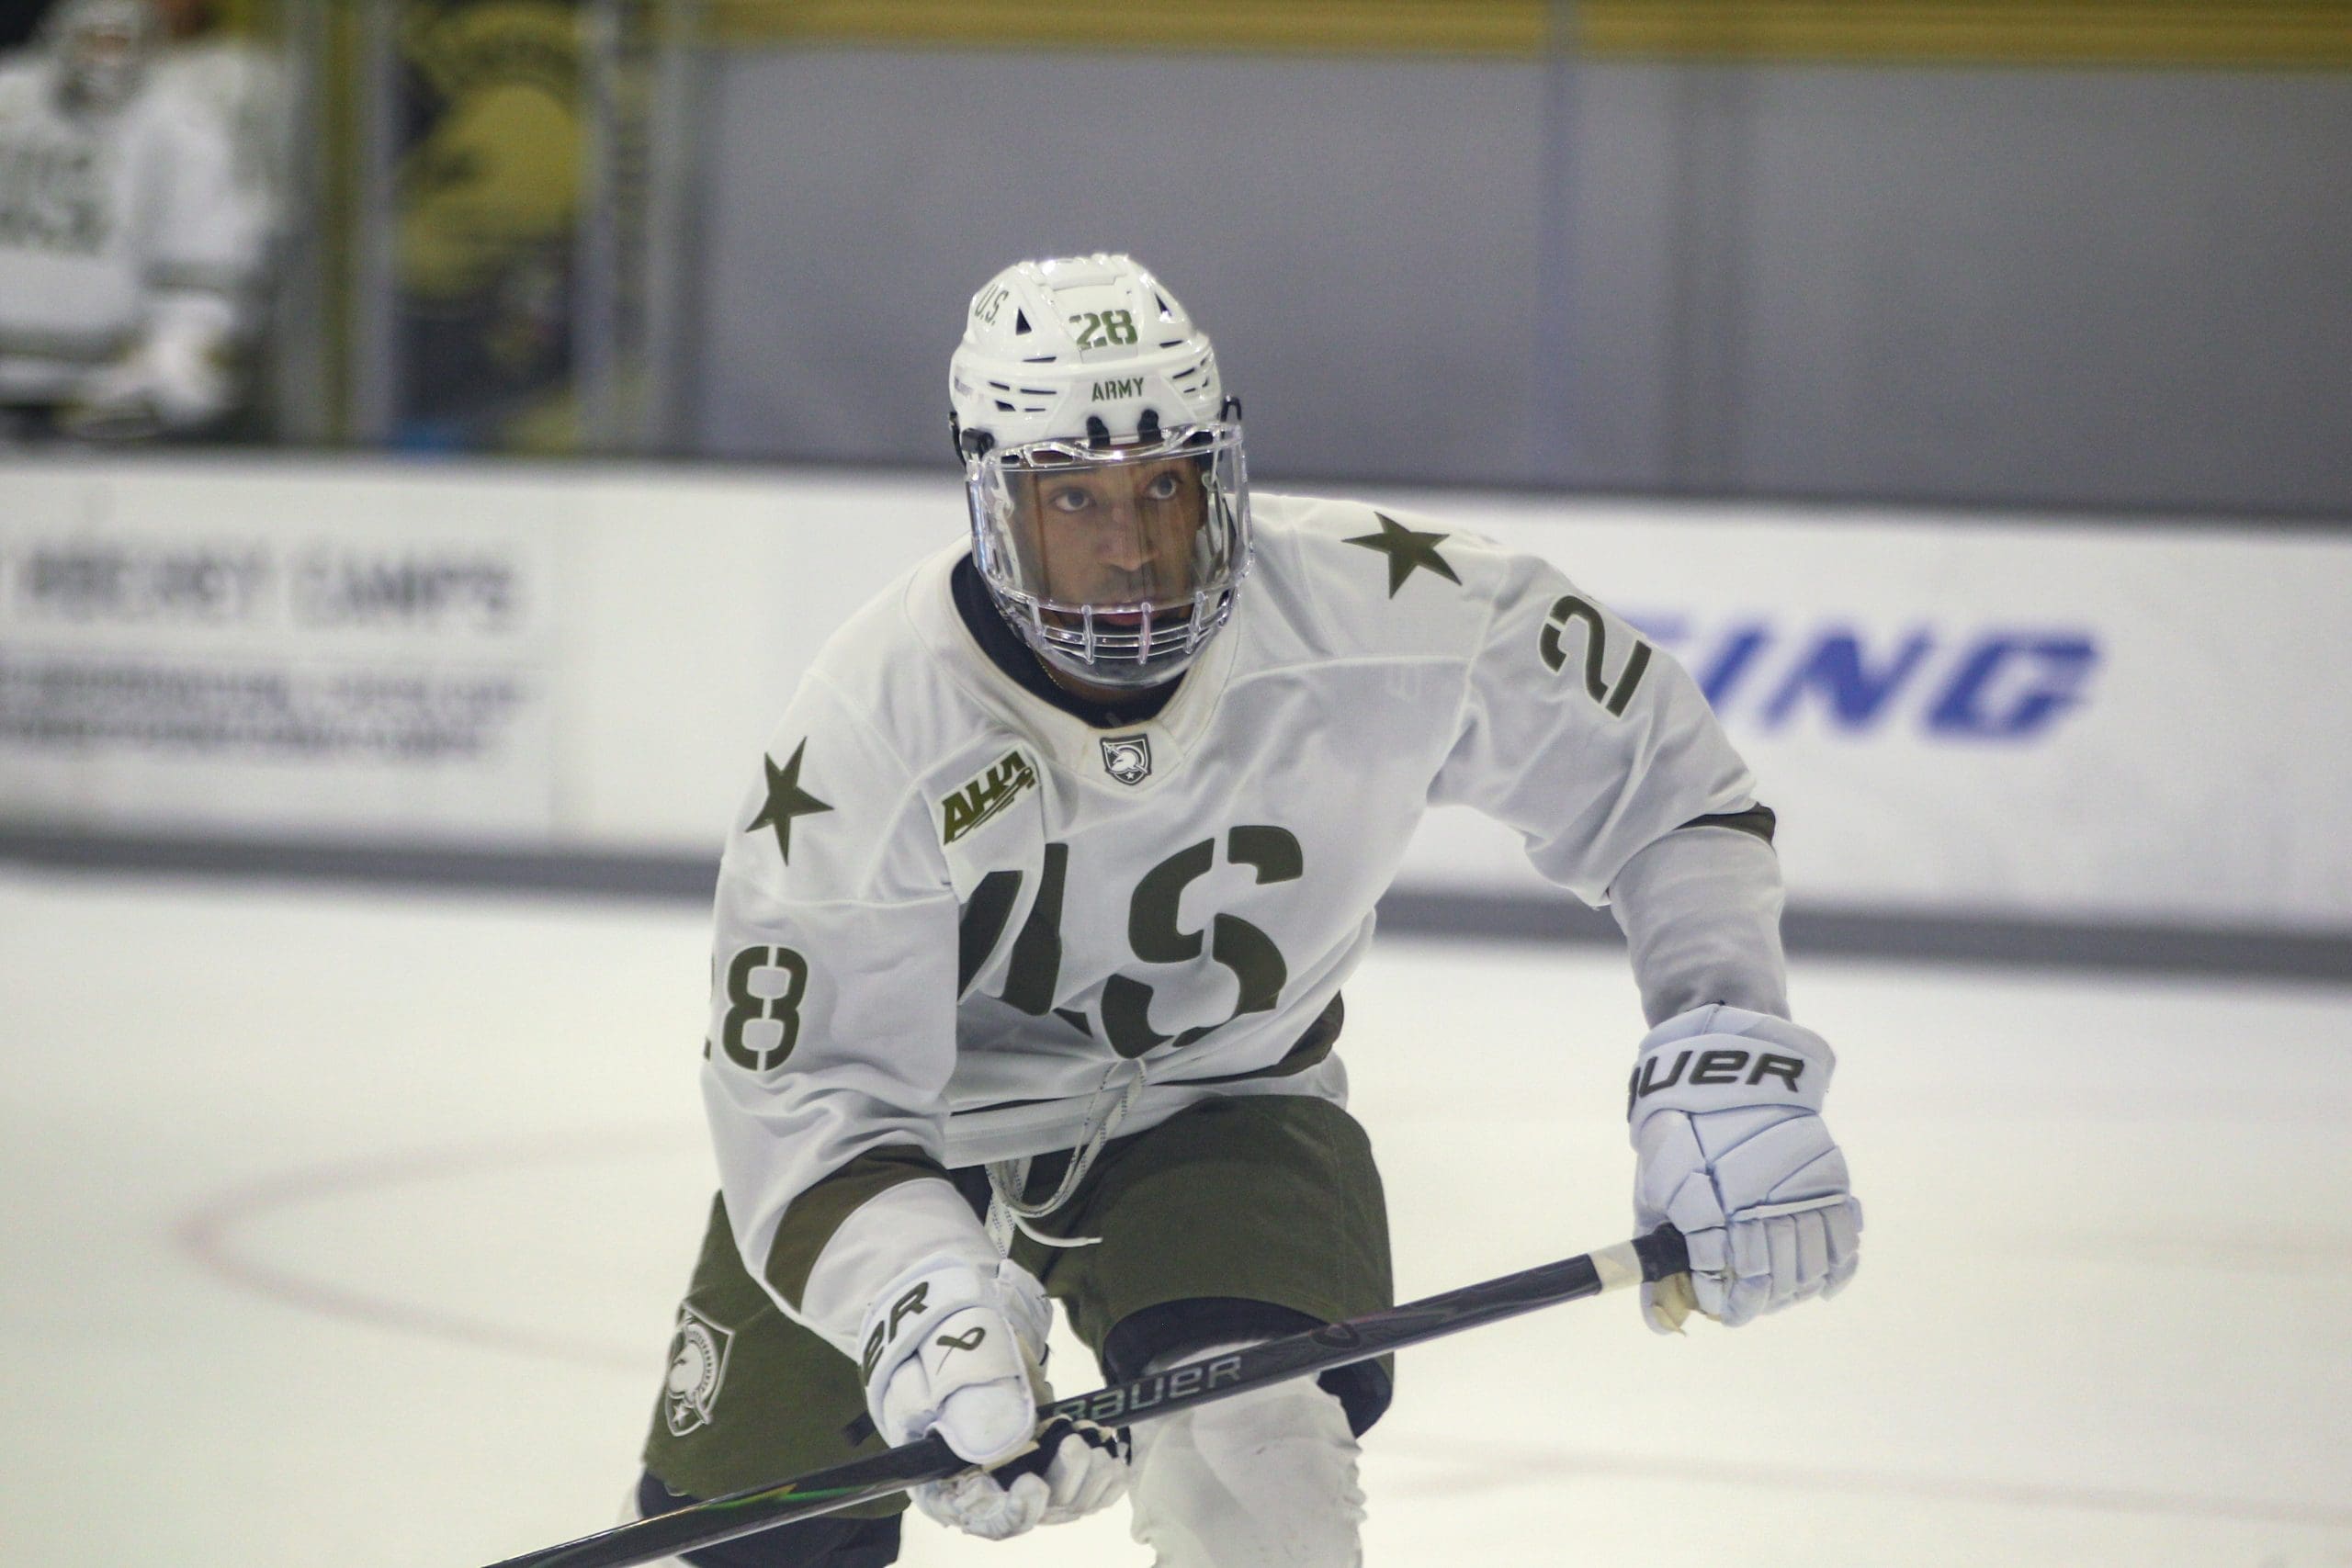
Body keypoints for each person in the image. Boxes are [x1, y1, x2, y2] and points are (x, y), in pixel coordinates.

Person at [628, 254, 1863, 1567]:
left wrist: (1725, 1050)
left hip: (1225, 1107)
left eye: (1165, 484)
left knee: (1260, 1472)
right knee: (748, 1549)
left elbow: (1660, 775)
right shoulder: (872, 723)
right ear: (992, 497)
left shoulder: (1387, 609)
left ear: (1222, 469)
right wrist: (916, 1304)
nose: (1131, 545)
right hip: (913, 1145)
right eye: (1075, 497)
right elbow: (801, 1091)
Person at [0, 0, 262, 443]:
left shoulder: (185, 129)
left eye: (117, 41)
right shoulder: (10, 100)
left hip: (97, 395)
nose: (104, 58)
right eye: (94, 39)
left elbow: (199, 274)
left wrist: (170, 365)